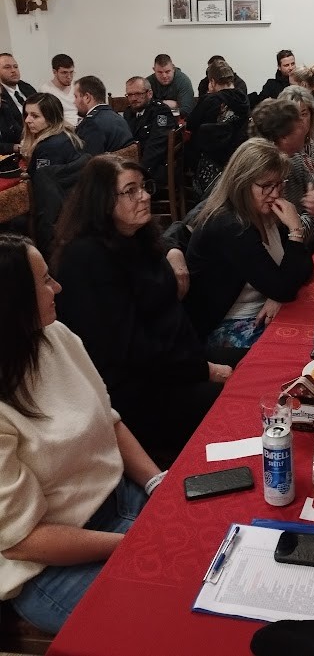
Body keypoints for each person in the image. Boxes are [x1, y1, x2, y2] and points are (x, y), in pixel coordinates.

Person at [0, 234, 163, 634]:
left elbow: (110, 420)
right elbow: (21, 541)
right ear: (12, 301)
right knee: (160, 618)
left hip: (120, 500)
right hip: (48, 565)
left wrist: (157, 481)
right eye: (44, 280)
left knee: (212, 546)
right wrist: (135, 542)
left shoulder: (54, 336)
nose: (57, 287)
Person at [51, 155, 230, 456]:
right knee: (238, 400)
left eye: (144, 187)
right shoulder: (86, 258)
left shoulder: (136, 236)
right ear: (103, 201)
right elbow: (129, 348)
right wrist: (202, 369)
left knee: (259, 366)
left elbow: (167, 312)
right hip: (140, 390)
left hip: (176, 360)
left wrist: (173, 251)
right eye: (131, 191)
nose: (145, 196)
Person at [185, 139, 314, 356]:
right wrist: (295, 230)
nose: (275, 193)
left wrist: (276, 294)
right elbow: (284, 286)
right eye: (266, 186)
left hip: (263, 312)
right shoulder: (229, 225)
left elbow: (305, 266)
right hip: (226, 326)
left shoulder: (266, 212)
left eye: (279, 184)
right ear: (242, 183)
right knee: (303, 352)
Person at [251, 99, 314, 248]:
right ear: (284, 136)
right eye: (299, 123)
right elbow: (294, 235)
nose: (305, 126)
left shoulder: (296, 158)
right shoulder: (266, 175)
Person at [186, 60, 250, 194]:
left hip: (211, 161)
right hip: (237, 158)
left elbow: (191, 124)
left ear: (212, 82)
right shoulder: (243, 99)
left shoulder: (210, 100)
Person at [123, 76, 177, 183]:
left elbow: (156, 147)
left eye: (138, 94)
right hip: (136, 162)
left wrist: (139, 170)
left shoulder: (161, 112)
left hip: (156, 166)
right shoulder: (129, 113)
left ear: (149, 93)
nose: (133, 98)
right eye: (130, 95)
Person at [21, 92, 85, 176]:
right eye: (26, 114)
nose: (27, 120)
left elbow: (43, 179)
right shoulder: (66, 135)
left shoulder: (48, 147)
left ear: (51, 118)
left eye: (35, 116)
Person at [74, 75, 134, 155]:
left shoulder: (91, 124)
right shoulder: (119, 118)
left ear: (87, 97)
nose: (74, 102)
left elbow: (88, 160)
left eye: (76, 97)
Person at [0, 53, 36, 155]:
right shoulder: (1, 96)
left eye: (15, 66)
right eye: (7, 67)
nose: (13, 70)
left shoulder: (26, 87)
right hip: (20, 144)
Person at [39, 53, 79, 127]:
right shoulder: (46, 90)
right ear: (55, 72)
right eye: (64, 73)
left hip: (82, 124)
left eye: (71, 72)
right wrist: (73, 128)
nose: (69, 77)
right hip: (62, 127)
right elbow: (51, 117)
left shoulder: (77, 86)